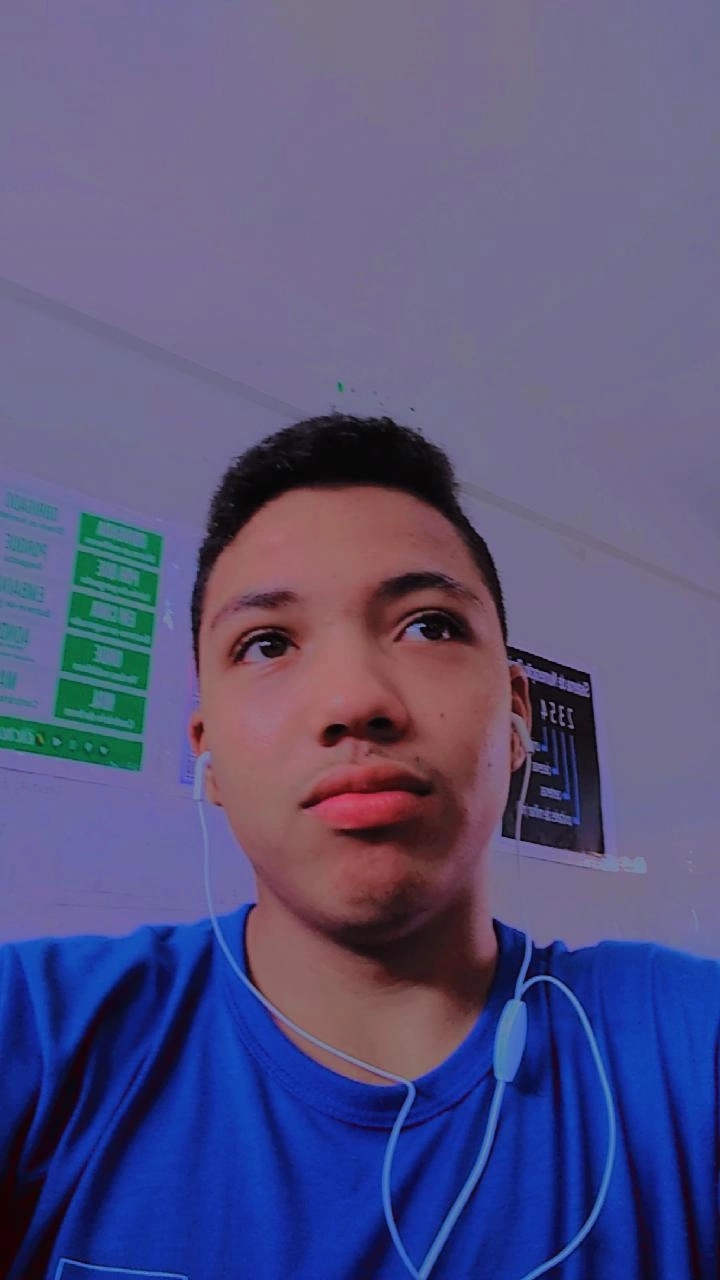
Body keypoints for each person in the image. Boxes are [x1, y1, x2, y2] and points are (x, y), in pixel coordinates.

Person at [1, 413, 718, 1280]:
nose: (354, 701)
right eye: (267, 644)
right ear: (206, 753)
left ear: (517, 717)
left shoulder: (684, 1048)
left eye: (429, 626)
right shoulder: (42, 1033)